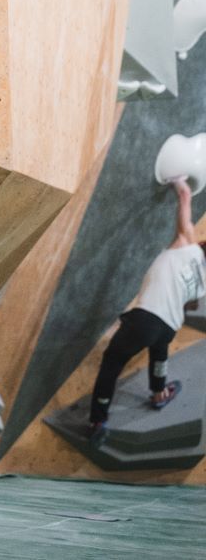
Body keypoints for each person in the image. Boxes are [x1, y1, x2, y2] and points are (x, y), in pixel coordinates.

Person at [87, 178, 206, 446]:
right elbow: (191, 303)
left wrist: (175, 177)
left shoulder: (187, 244)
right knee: (159, 355)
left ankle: (97, 420)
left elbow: (185, 194)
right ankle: (158, 392)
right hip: (168, 327)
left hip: (146, 319)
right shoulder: (203, 285)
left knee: (112, 363)